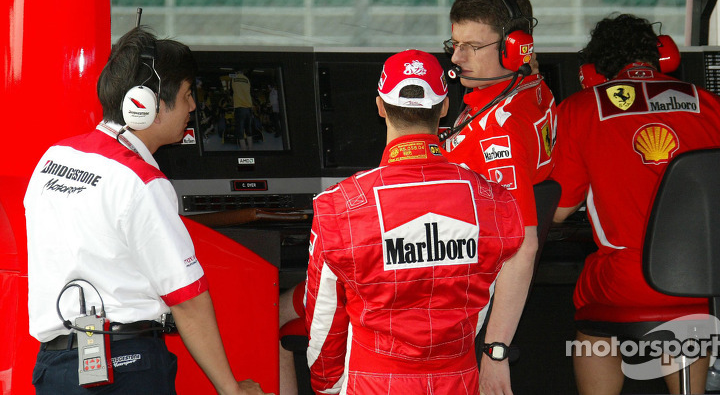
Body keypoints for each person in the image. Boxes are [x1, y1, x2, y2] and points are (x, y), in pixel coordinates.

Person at [24, 27, 266, 395]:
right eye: (186, 95)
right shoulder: (142, 182)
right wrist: (230, 389)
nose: (192, 107)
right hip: (126, 368)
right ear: (147, 104)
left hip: (54, 369)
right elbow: (187, 300)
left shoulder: (53, 158)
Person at [549, 14, 720, 395]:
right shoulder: (711, 104)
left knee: (590, 312)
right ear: (663, 57)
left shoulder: (579, 109)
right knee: (686, 313)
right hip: (708, 277)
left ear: (593, 70)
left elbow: (559, 209)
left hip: (630, 277)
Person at [304, 49, 525, 394]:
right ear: (444, 108)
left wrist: (327, 384)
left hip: (372, 381)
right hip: (461, 378)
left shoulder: (338, 206)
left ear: (380, 106)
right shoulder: (496, 201)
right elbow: (495, 285)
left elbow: (324, 317)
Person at [440, 0, 556, 395]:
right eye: (454, 44)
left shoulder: (499, 132)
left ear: (513, 49)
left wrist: (495, 351)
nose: (456, 58)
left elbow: (522, 246)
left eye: (471, 47)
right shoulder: (532, 90)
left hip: (459, 301)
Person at [231, 69, 255, 150]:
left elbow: (230, 77)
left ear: (236, 72)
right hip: (249, 108)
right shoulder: (247, 79)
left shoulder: (234, 78)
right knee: (248, 130)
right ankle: (251, 149)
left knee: (240, 131)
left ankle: (244, 150)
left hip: (240, 108)